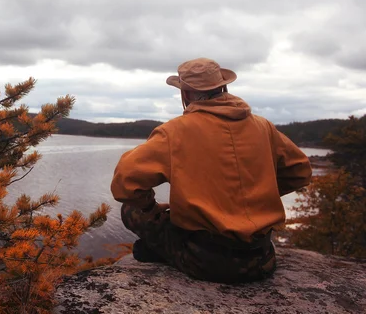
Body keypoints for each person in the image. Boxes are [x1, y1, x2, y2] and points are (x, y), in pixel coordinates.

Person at [111, 58, 312, 283]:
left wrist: (153, 207)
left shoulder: (174, 132)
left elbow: (124, 184)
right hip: (262, 258)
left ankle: (168, 253)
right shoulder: (262, 126)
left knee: (131, 209)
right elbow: (300, 172)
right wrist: (259, 194)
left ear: (185, 95)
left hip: (206, 262)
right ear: (223, 87)